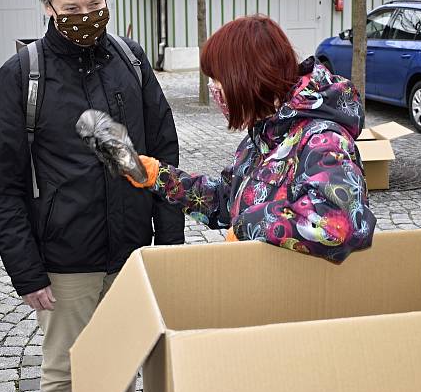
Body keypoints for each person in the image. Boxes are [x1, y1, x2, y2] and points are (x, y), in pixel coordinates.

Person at [0, 0, 184, 392]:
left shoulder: (131, 61)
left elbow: (162, 157)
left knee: (118, 365)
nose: (86, 18)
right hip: (65, 260)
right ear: (48, 7)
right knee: (67, 372)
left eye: (94, 7)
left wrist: (167, 245)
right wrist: (27, 271)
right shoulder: (22, 76)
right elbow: (1, 186)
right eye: (72, 10)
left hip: (132, 250)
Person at [129, 15, 376, 261]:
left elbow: (338, 224)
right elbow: (227, 201)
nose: (215, 89)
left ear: (247, 78)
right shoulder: (262, 135)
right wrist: (156, 175)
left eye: (218, 79)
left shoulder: (321, 140)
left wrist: (247, 225)